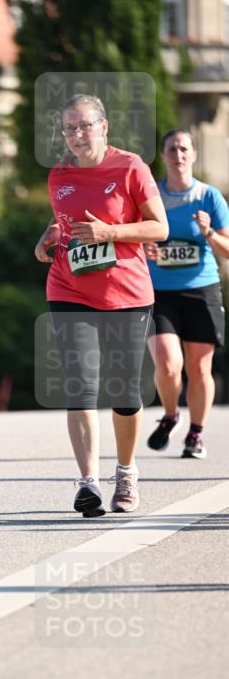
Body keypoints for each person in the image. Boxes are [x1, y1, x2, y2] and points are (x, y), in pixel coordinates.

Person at [34, 93, 168, 516]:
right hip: (69, 288)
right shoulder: (58, 175)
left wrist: (110, 232)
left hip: (126, 292)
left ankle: (125, 472)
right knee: (81, 385)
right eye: (69, 128)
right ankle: (88, 483)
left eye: (84, 126)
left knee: (125, 393)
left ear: (104, 126)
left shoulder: (131, 167)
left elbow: (159, 227)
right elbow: (63, 226)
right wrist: (45, 242)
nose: (76, 135)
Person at [143, 130, 229, 459]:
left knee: (199, 368)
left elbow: (227, 249)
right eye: (171, 149)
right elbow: (133, 239)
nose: (178, 155)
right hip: (159, 292)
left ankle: (196, 433)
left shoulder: (209, 197)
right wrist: (144, 246)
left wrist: (207, 232)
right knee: (167, 365)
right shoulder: (152, 197)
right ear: (163, 156)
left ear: (193, 155)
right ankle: (170, 414)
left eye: (183, 149)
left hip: (201, 289)